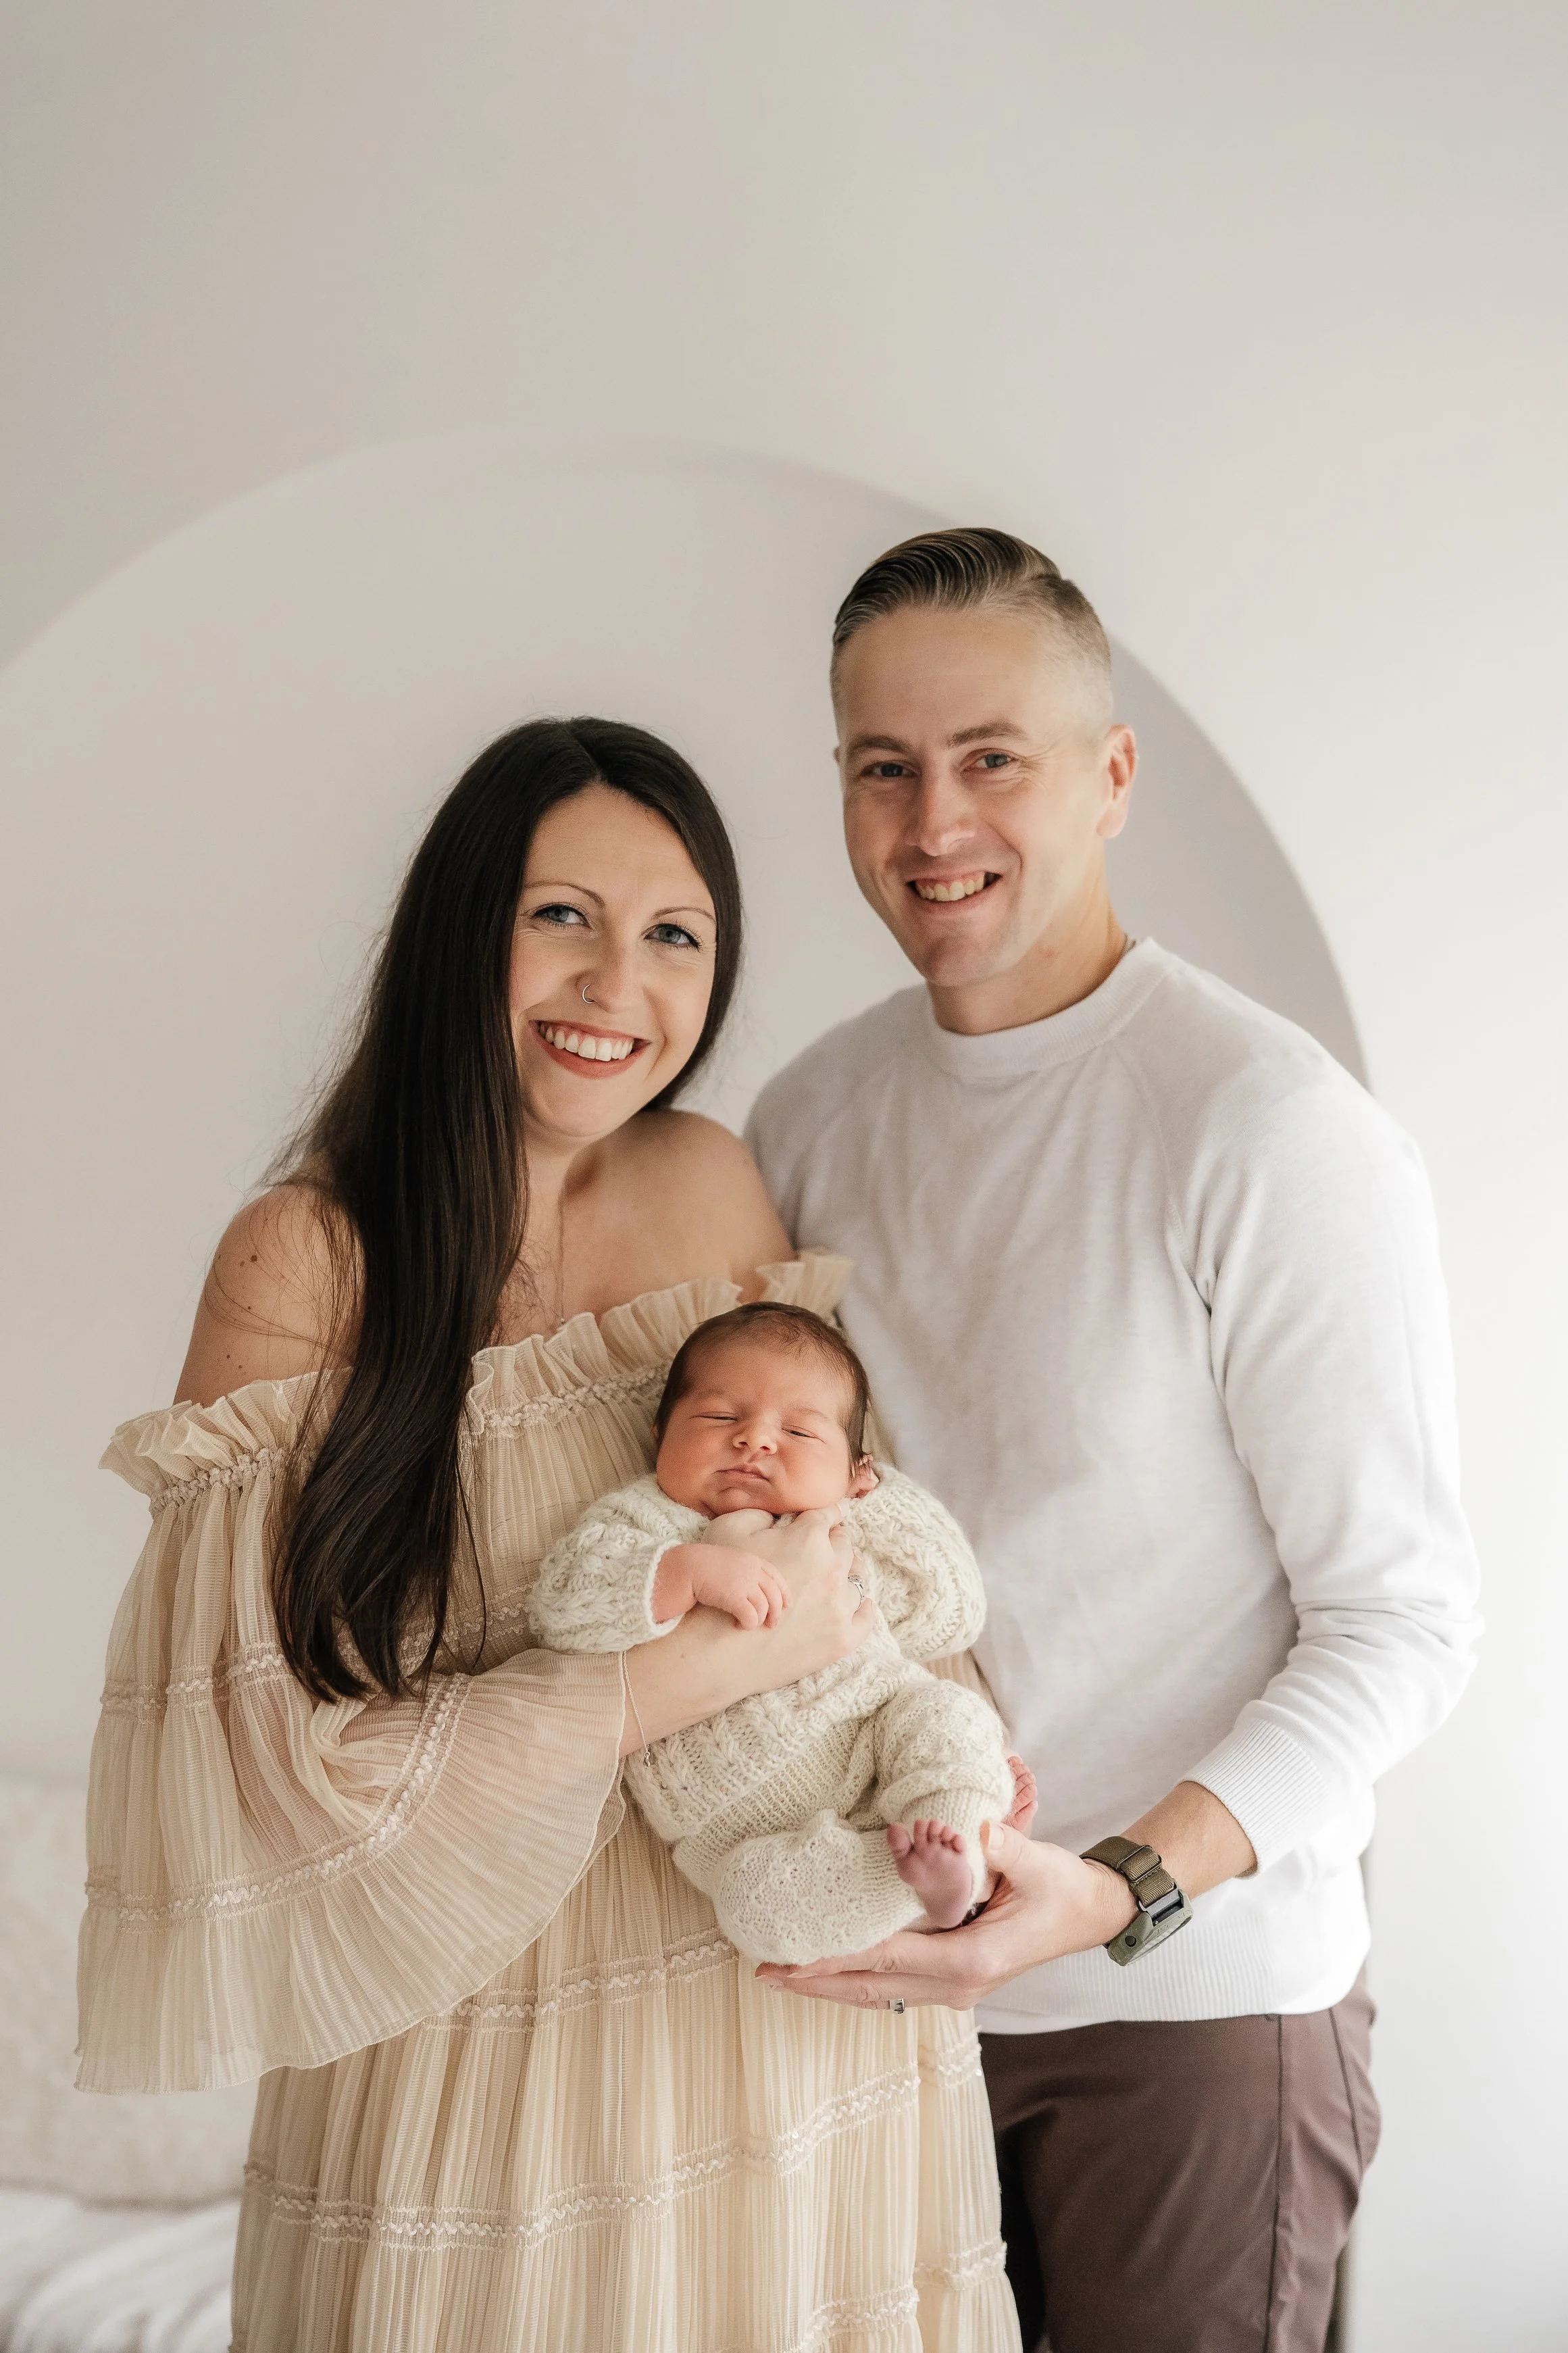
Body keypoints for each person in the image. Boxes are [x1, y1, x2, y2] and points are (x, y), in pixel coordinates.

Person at [76, 718, 1023, 2352]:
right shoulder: (305, 1256)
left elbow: (826, 1514)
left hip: (782, 2018)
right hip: (460, 2044)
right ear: (462, 927)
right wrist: (679, 1671)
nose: (616, 987)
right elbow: (261, 1765)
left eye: (673, 935)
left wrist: (964, 1747)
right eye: (558, 915)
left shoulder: (711, 1184)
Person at [746, 530, 1482, 2353]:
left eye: (991, 755)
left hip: (1200, 2020)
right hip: (892, 2018)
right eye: (882, 766)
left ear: (1111, 776)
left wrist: (1126, 1885)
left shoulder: (1265, 1128)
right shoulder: (810, 1118)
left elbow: (1404, 1622)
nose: (935, 820)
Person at [530, 1299, 1028, 1960]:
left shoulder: (837, 1528)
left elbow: (951, 1607)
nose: (754, 1439)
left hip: (872, 1731)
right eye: (718, 1417)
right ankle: (907, 1889)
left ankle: (951, 1849)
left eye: (798, 1432)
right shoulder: (644, 1521)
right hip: (738, 1820)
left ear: (854, 1471)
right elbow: (564, 1604)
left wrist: (864, 1491)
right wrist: (681, 1573)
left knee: (947, 1713)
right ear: (660, 1433)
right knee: (751, 1901)